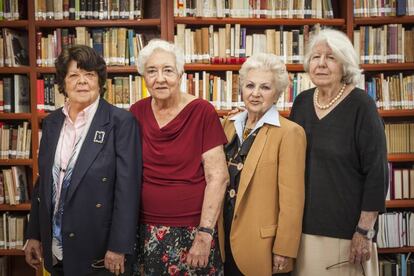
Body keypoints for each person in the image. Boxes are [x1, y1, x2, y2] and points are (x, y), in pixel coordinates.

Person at [24, 45, 142, 276]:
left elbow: (128, 190)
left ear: (100, 81)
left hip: (99, 248)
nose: (82, 81)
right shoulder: (52, 123)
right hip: (56, 246)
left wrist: (119, 246)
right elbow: (44, 182)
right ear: (63, 83)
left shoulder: (121, 122)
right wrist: (34, 234)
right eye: (74, 75)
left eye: (89, 74)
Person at [290, 29, 388, 276]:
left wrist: (364, 231)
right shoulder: (301, 103)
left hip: (347, 233)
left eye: (331, 57)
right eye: (315, 57)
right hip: (303, 230)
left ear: (344, 64)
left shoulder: (361, 106)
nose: (321, 63)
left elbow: (377, 174)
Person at [130, 39, 229, 275]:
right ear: (144, 77)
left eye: (168, 70)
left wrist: (205, 234)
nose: (160, 78)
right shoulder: (136, 112)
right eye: (152, 71)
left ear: (181, 74)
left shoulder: (202, 111)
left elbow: (218, 177)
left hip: (192, 231)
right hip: (143, 230)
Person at [219, 53, 306, 276]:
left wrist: (284, 249)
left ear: (277, 93)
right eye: (250, 85)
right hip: (222, 239)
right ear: (241, 89)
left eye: (265, 87)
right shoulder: (228, 125)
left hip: (261, 246)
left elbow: (292, 201)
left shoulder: (290, 133)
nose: (255, 93)